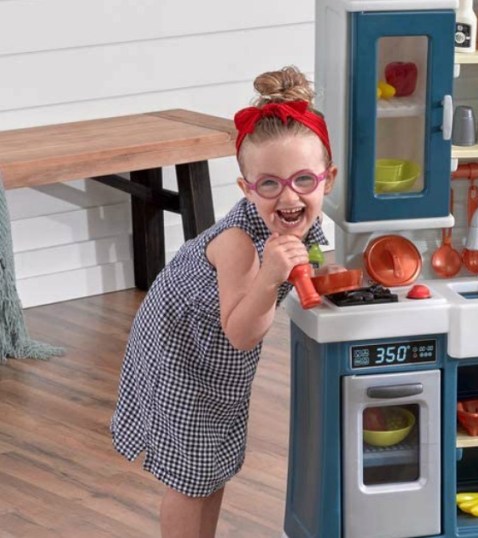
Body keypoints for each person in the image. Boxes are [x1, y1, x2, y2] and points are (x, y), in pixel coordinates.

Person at [110, 66, 336, 537]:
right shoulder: (237, 243)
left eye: (303, 181)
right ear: (246, 189)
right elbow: (239, 332)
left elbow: (318, 266)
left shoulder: (306, 225)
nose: (289, 196)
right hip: (178, 349)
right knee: (191, 474)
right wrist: (270, 276)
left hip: (218, 361)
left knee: (214, 462)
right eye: (269, 184)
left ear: (326, 180)